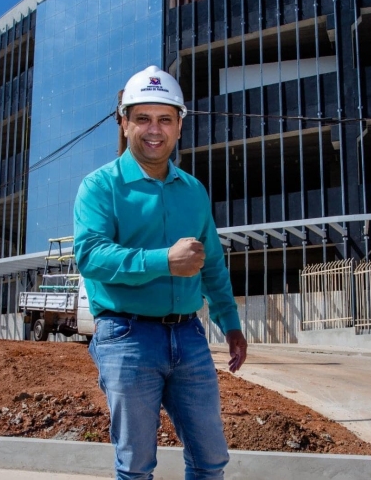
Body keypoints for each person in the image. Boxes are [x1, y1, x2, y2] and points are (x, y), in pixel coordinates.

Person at [74, 65, 248, 480]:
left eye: (165, 119)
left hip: (189, 337)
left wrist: (231, 322)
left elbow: (213, 263)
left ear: (179, 126)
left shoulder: (193, 190)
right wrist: (163, 261)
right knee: (135, 466)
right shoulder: (100, 187)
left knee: (211, 459)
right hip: (126, 337)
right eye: (143, 118)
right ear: (124, 122)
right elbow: (91, 256)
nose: (155, 130)